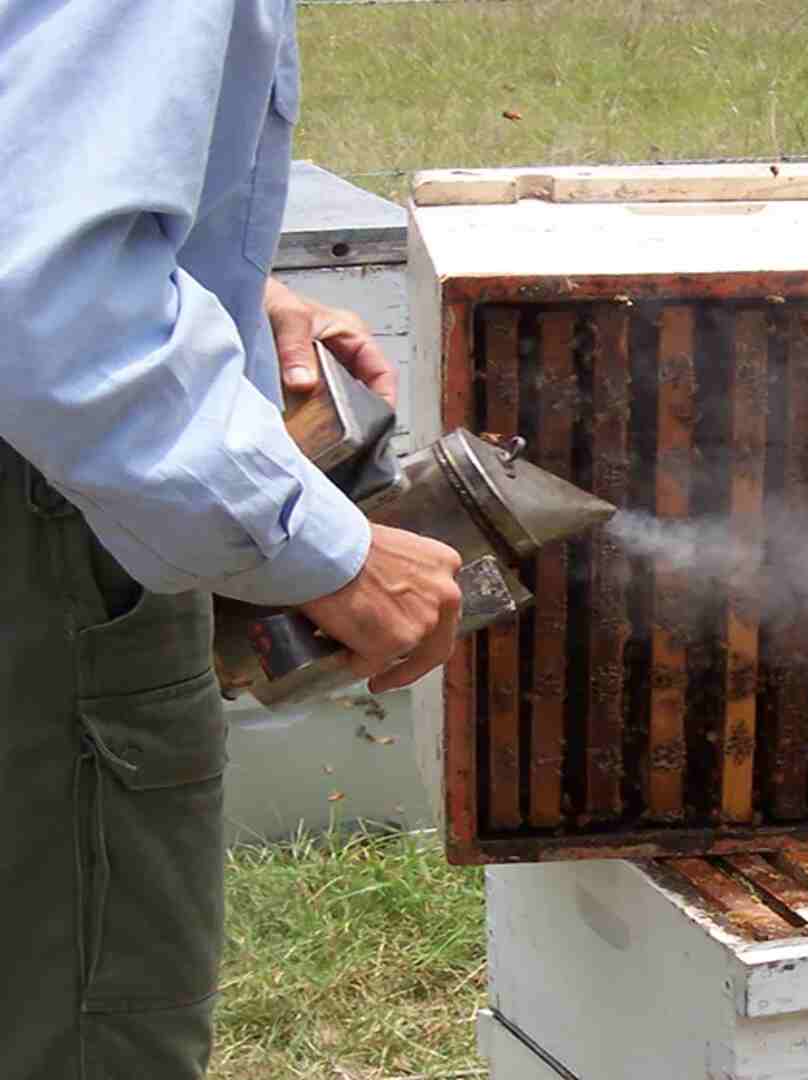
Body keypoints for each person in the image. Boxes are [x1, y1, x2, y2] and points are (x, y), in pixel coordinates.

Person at [0, 4, 465, 1077]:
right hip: (39, 529)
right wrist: (322, 549)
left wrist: (212, 278)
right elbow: (51, 304)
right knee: (85, 1032)